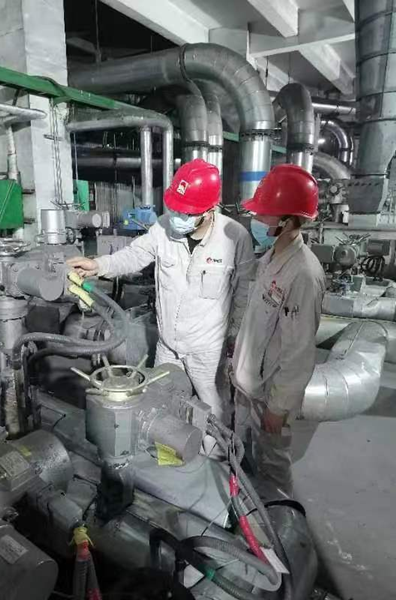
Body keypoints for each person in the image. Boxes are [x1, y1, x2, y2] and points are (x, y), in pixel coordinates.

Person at [67, 158, 256, 449]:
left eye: (186, 212)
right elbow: (134, 255)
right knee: (158, 402)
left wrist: (234, 337)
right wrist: (99, 265)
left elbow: (244, 290)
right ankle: (169, 456)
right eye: (175, 208)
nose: (177, 216)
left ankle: (215, 460)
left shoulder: (234, 237)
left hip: (207, 349)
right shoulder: (163, 227)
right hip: (168, 345)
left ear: (209, 210)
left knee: (213, 412)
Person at [232, 163, 326, 494]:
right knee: (246, 456)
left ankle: (280, 519)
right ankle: (251, 508)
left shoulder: (303, 274)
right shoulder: (270, 257)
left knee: (273, 466)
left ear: (287, 220)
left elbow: (298, 350)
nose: (256, 219)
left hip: (269, 395)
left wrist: (279, 406)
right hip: (249, 385)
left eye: (264, 214)